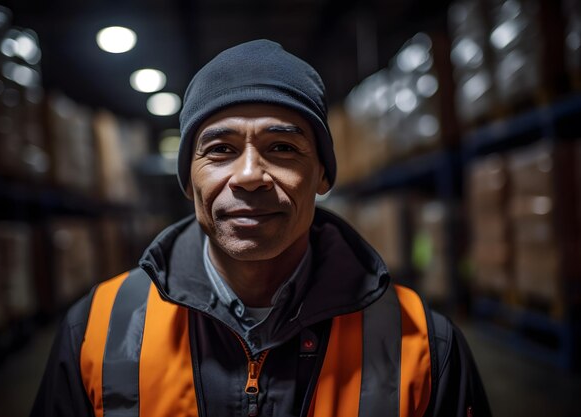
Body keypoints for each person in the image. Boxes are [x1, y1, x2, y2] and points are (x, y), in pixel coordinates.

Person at [31, 39, 490, 417]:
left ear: (323, 176)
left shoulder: (424, 346)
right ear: (188, 180)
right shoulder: (99, 329)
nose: (249, 175)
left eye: (282, 147)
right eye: (220, 150)